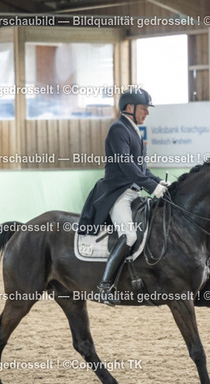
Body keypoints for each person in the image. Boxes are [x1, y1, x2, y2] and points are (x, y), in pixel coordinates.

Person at [79, 88, 169, 305]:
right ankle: (105, 286)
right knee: (129, 235)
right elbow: (126, 165)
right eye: (144, 109)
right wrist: (151, 186)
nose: (147, 113)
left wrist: (158, 182)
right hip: (118, 194)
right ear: (130, 107)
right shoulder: (118, 129)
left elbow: (141, 168)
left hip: (134, 193)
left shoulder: (134, 130)